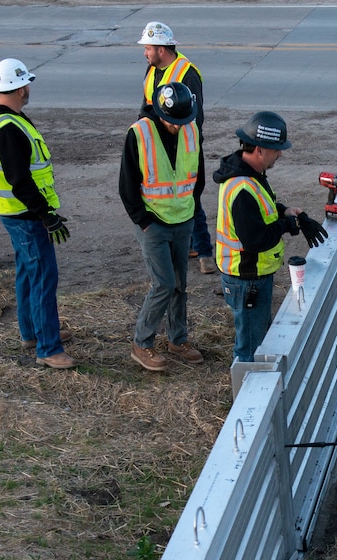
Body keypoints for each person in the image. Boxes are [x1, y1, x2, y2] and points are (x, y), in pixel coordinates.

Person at [0, 58, 77, 370]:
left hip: (16, 213)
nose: (29, 88)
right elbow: (19, 181)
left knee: (27, 272)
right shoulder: (8, 128)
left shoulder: (2, 119)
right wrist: (46, 215)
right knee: (43, 277)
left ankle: (32, 332)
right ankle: (49, 347)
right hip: (24, 215)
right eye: (27, 83)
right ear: (20, 88)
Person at [212, 111, 327, 362]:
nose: (280, 153)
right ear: (260, 150)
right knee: (251, 349)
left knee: (259, 336)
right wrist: (286, 224)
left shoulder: (250, 176)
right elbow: (255, 240)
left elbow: (263, 209)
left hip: (250, 278)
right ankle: (246, 393)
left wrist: (285, 211)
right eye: (276, 149)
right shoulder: (243, 187)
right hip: (247, 280)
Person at [119, 82, 206, 371]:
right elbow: (127, 185)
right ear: (159, 113)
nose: (179, 127)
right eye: (173, 122)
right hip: (152, 224)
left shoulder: (191, 129)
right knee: (164, 284)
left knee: (180, 284)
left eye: (183, 122)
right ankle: (141, 344)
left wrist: (188, 210)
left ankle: (177, 339)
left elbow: (198, 177)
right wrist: (143, 221)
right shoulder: (139, 133)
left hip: (183, 220)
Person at [137, 21, 216, 275]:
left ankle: (204, 252)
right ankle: (192, 245)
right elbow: (147, 107)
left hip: (185, 147)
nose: (145, 53)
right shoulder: (151, 70)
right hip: (159, 145)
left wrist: (181, 144)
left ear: (161, 49)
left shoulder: (186, 73)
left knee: (190, 196)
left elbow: (195, 117)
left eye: (148, 48)